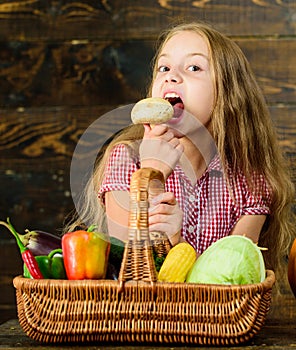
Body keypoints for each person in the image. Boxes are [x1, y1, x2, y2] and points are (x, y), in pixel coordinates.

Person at [67, 21, 295, 278]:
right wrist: (152, 176)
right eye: (163, 67)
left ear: (228, 93)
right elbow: (130, 271)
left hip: (214, 315)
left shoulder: (250, 181)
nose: (171, 76)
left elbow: (230, 278)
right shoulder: (126, 159)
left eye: (194, 67)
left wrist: (178, 244)